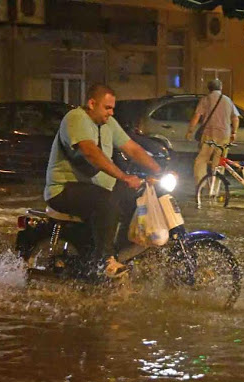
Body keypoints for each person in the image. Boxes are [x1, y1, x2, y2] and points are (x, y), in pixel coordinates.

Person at [44, 84, 162, 279]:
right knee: (105, 201)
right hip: (64, 189)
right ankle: (105, 260)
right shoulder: (76, 118)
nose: (111, 112)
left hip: (94, 187)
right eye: (107, 107)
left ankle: (120, 251)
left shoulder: (108, 124)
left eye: (113, 108)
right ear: (92, 103)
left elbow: (132, 149)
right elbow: (91, 153)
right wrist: (123, 176)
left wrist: (159, 169)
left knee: (135, 195)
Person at [186, 79, 240, 185]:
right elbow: (235, 118)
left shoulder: (205, 100)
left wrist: (190, 130)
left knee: (201, 160)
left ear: (209, 88)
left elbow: (197, 116)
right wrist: (234, 132)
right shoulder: (228, 100)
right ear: (221, 88)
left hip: (209, 134)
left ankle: (201, 184)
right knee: (219, 162)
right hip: (224, 135)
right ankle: (215, 189)